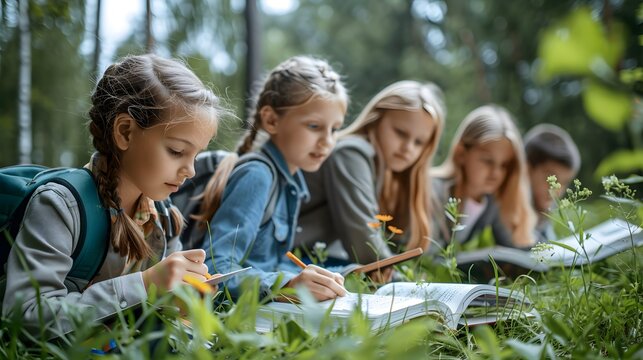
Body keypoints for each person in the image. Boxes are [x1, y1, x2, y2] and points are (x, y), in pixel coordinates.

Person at [1, 54, 221, 336]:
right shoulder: (60, 206)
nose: (190, 170)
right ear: (125, 132)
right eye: (177, 151)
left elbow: (150, 315)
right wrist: (143, 284)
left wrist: (181, 297)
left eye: (196, 155)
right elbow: (24, 314)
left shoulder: (164, 219)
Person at [194, 56, 349, 301]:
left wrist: (344, 274)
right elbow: (216, 269)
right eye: (314, 126)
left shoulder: (291, 184)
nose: (327, 141)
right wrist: (286, 285)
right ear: (271, 120)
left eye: (334, 129)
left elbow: (269, 263)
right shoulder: (257, 176)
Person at [295, 80, 446, 265]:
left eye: (419, 142)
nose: (408, 148)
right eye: (400, 133)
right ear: (376, 119)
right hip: (277, 255)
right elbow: (364, 240)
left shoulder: (382, 170)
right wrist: (401, 282)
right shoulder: (351, 153)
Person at [431, 104, 536, 251]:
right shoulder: (432, 191)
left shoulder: (492, 201)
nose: (496, 173)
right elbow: (427, 253)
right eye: (488, 161)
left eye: (504, 165)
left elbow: (517, 246)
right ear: (461, 153)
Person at [523, 123, 581, 243]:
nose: (557, 190)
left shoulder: (546, 212)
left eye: (564, 183)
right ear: (527, 170)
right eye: (551, 179)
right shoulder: (506, 212)